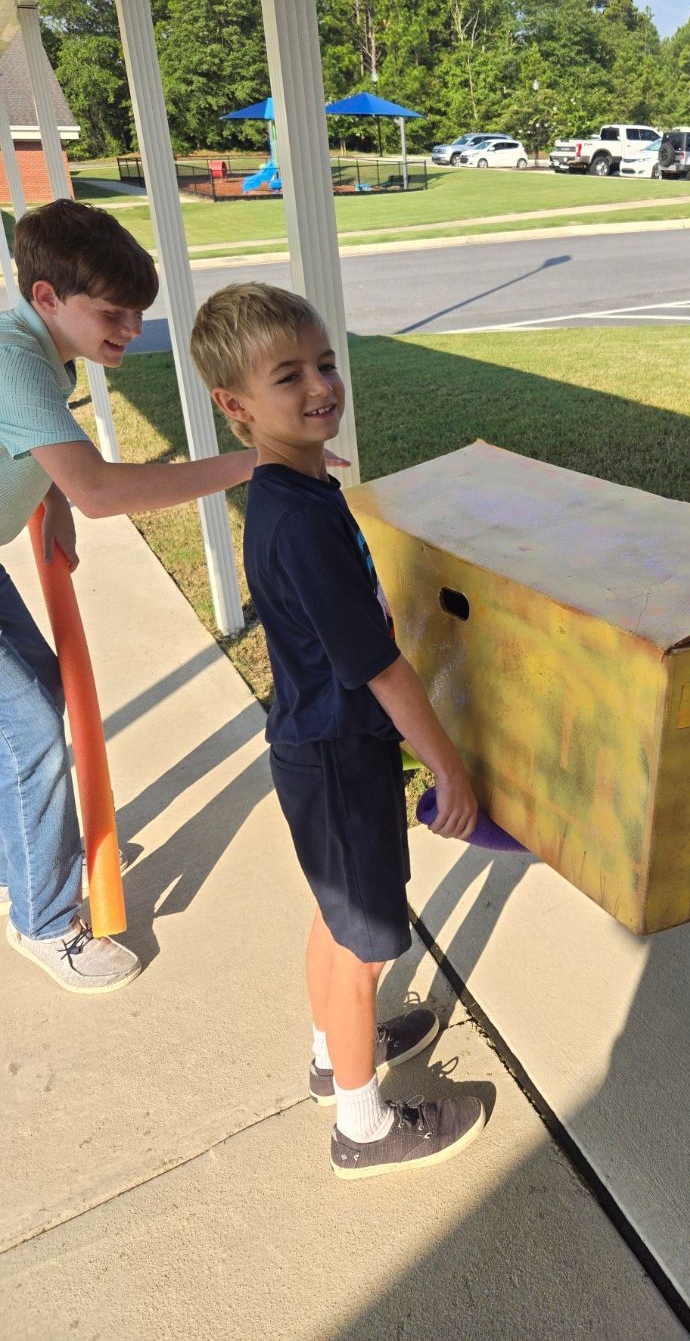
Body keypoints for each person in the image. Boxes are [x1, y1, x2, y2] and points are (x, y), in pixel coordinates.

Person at [190, 282, 485, 1179]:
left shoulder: (293, 493)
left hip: (316, 747)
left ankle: (334, 1059)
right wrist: (449, 769)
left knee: (338, 918)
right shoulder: (301, 523)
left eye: (324, 364)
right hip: (342, 753)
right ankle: (363, 1128)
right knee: (362, 950)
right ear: (236, 406)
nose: (320, 385)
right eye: (290, 377)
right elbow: (381, 668)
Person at [1, 200, 261, 994]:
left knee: (35, 706)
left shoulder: (47, 352)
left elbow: (37, 447)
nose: (130, 331)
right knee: (33, 731)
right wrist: (255, 462)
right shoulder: (13, 358)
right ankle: (45, 921)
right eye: (113, 315)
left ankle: (27, 853)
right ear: (47, 298)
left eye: (137, 314)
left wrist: (48, 504)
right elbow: (104, 490)